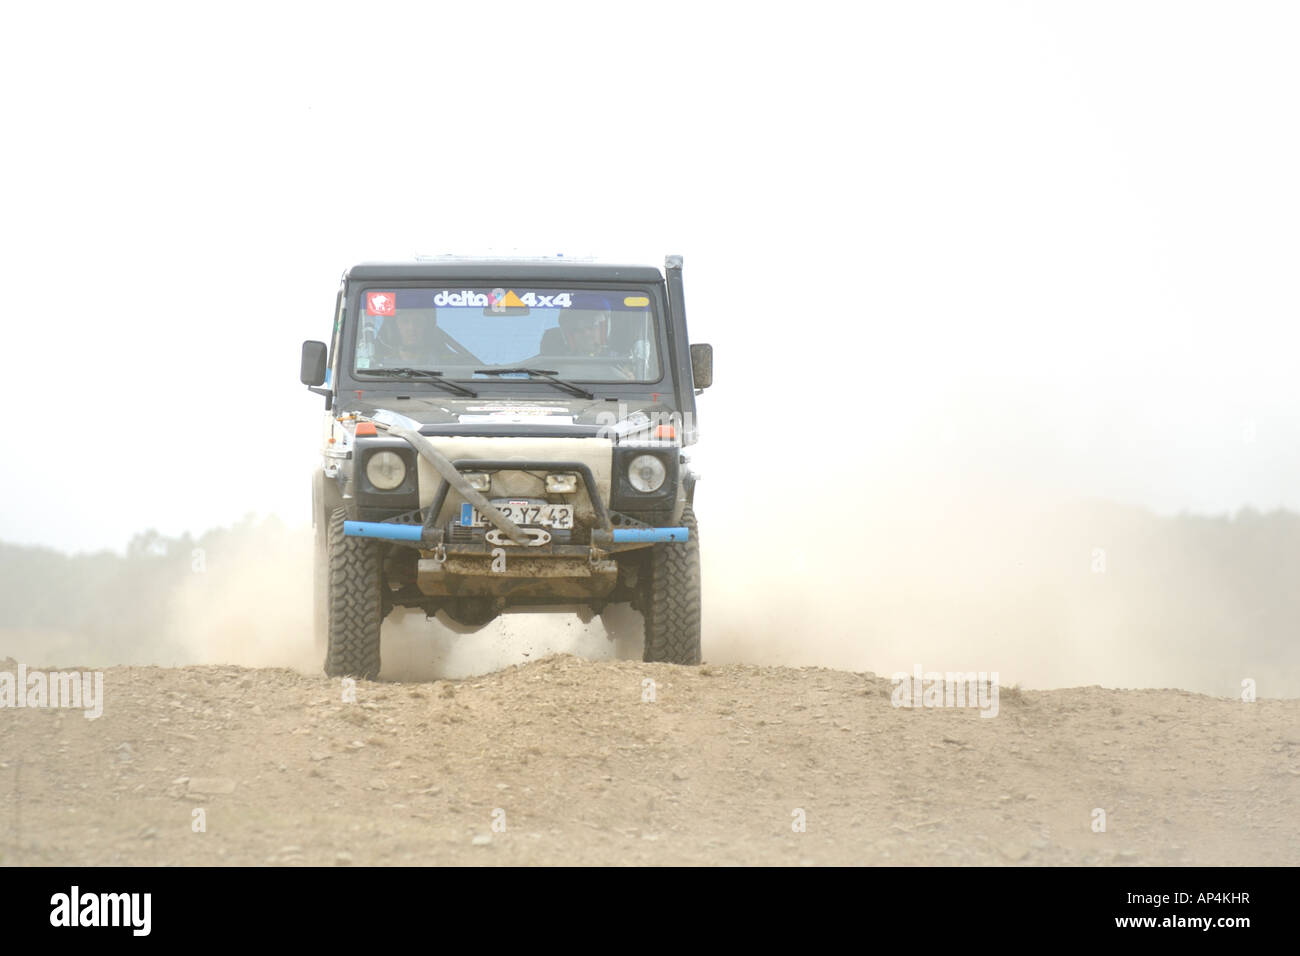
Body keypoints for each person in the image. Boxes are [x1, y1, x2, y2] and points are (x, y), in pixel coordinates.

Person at [373, 310, 447, 367]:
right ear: (395, 328)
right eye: (404, 321)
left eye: (417, 321)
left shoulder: (442, 364)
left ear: (427, 328)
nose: (411, 328)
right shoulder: (381, 365)